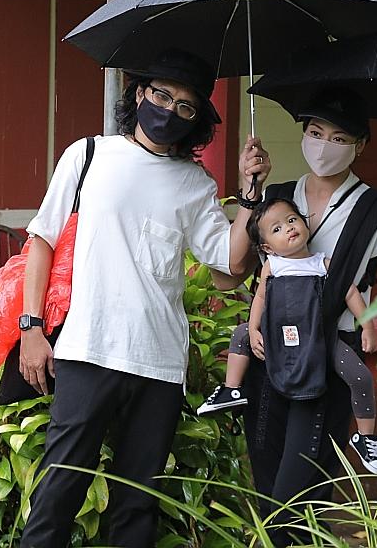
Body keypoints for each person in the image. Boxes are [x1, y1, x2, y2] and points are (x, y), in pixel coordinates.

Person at [16, 47, 265, 548]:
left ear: (196, 121)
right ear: (138, 93)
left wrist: (250, 196)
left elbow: (229, 271)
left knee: (138, 501)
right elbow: (40, 241)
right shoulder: (87, 155)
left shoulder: (196, 185)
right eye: (161, 95)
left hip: (158, 363)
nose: (169, 110)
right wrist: (32, 328)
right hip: (87, 350)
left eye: (185, 106)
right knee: (60, 488)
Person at [230, 87, 377, 546]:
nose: (324, 145)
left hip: (326, 362)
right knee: (267, 481)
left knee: (300, 494)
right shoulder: (277, 197)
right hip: (270, 360)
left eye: (339, 137)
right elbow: (232, 271)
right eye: (316, 132)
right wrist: (249, 191)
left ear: (360, 145)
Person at [228, 197, 377, 474]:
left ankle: (365, 437)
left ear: (304, 224)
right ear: (267, 247)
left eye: (291, 220)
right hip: (280, 340)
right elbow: (260, 298)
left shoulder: (322, 264)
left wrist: (368, 326)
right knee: (241, 335)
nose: (288, 228)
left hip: (320, 339)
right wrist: (254, 328)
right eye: (276, 229)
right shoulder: (272, 266)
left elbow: (351, 292)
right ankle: (230, 389)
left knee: (360, 376)